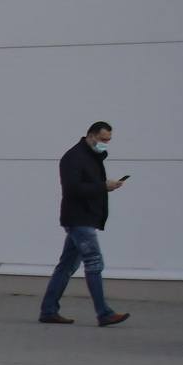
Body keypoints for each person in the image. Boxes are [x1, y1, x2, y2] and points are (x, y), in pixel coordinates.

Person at [39, 122, 129, 327]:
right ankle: (104, 313)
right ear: (91, 136)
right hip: (79, 219)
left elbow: (88, 187)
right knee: (94, 262)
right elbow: (72, 189)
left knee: (67, 266)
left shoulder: (91, 157)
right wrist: (102, 186)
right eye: (103, 139)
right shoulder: (74, 157)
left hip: (83, 218)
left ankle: (48, 310)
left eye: (108, 140)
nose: (106, 144)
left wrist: (105, 187)